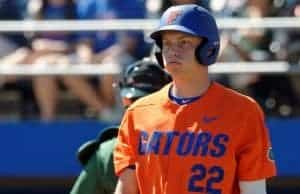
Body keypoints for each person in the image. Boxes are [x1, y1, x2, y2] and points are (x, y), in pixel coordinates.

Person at [114, 4, 276, 194]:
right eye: (167, 43)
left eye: (184, 42)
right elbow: (126, 189)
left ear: (208, 48)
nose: (172, 50)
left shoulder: (243, 111)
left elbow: (254, 191)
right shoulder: (137, 113)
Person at [70, 58, 172, 194]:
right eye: (134, 100)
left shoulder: (106, 150)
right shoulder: (107, 151)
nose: (138, 105)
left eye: (145, 100)